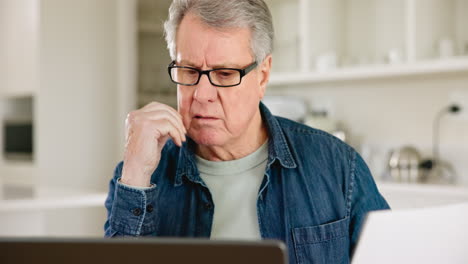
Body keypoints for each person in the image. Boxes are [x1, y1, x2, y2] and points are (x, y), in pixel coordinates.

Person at [104, 0, 390, 263]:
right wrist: (135, 178)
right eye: (189, 71)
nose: (202, 94)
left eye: (225, 74)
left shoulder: (338, 167)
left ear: (262, 75)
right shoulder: (139, 177)